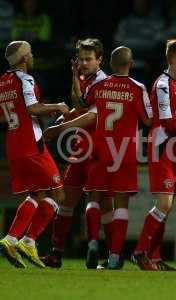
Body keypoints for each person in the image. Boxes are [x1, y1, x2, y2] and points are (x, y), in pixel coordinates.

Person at [76, 46, 152, 269]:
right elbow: (148, 120)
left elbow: (83, 102)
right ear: (131, 63)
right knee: (121, 205)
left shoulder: (99, 85)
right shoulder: (137, 88)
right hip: (124, 152)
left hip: (100, 149)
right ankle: (114, 256)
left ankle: (91, 243)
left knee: (93, 198)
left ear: (110, 63)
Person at [40, 38, 112, 269]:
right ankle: (56, 253)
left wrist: (60, 127)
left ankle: (97, 249)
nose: (83, 63)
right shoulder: (85, 78)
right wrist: (74, 78)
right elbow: (79, 103)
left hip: (98, 150)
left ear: (99, 60)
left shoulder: (104, 83)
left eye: (88, 59)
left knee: (98, 201)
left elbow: (92, 115)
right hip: (81, 149)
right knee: (67, 201)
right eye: (81, 59)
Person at [0, 40, 69, 268]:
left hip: (13, 144)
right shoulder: (25, 79)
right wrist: (57, 106)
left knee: (36, 193)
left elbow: (5, 116)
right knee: (58, 194)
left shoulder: (2, 82)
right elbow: (31, 108)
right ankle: (28, 240)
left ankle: (11, 239)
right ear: (22, 58)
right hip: (32, 144)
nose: (32, 56)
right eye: (29, 53)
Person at [133, 39, 176, 271]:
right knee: (163, 204)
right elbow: (169, 123)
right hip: (163, 148)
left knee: (166, 207)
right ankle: (140, 252)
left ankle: (155, 257)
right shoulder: (162, 85)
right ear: (172, 59)